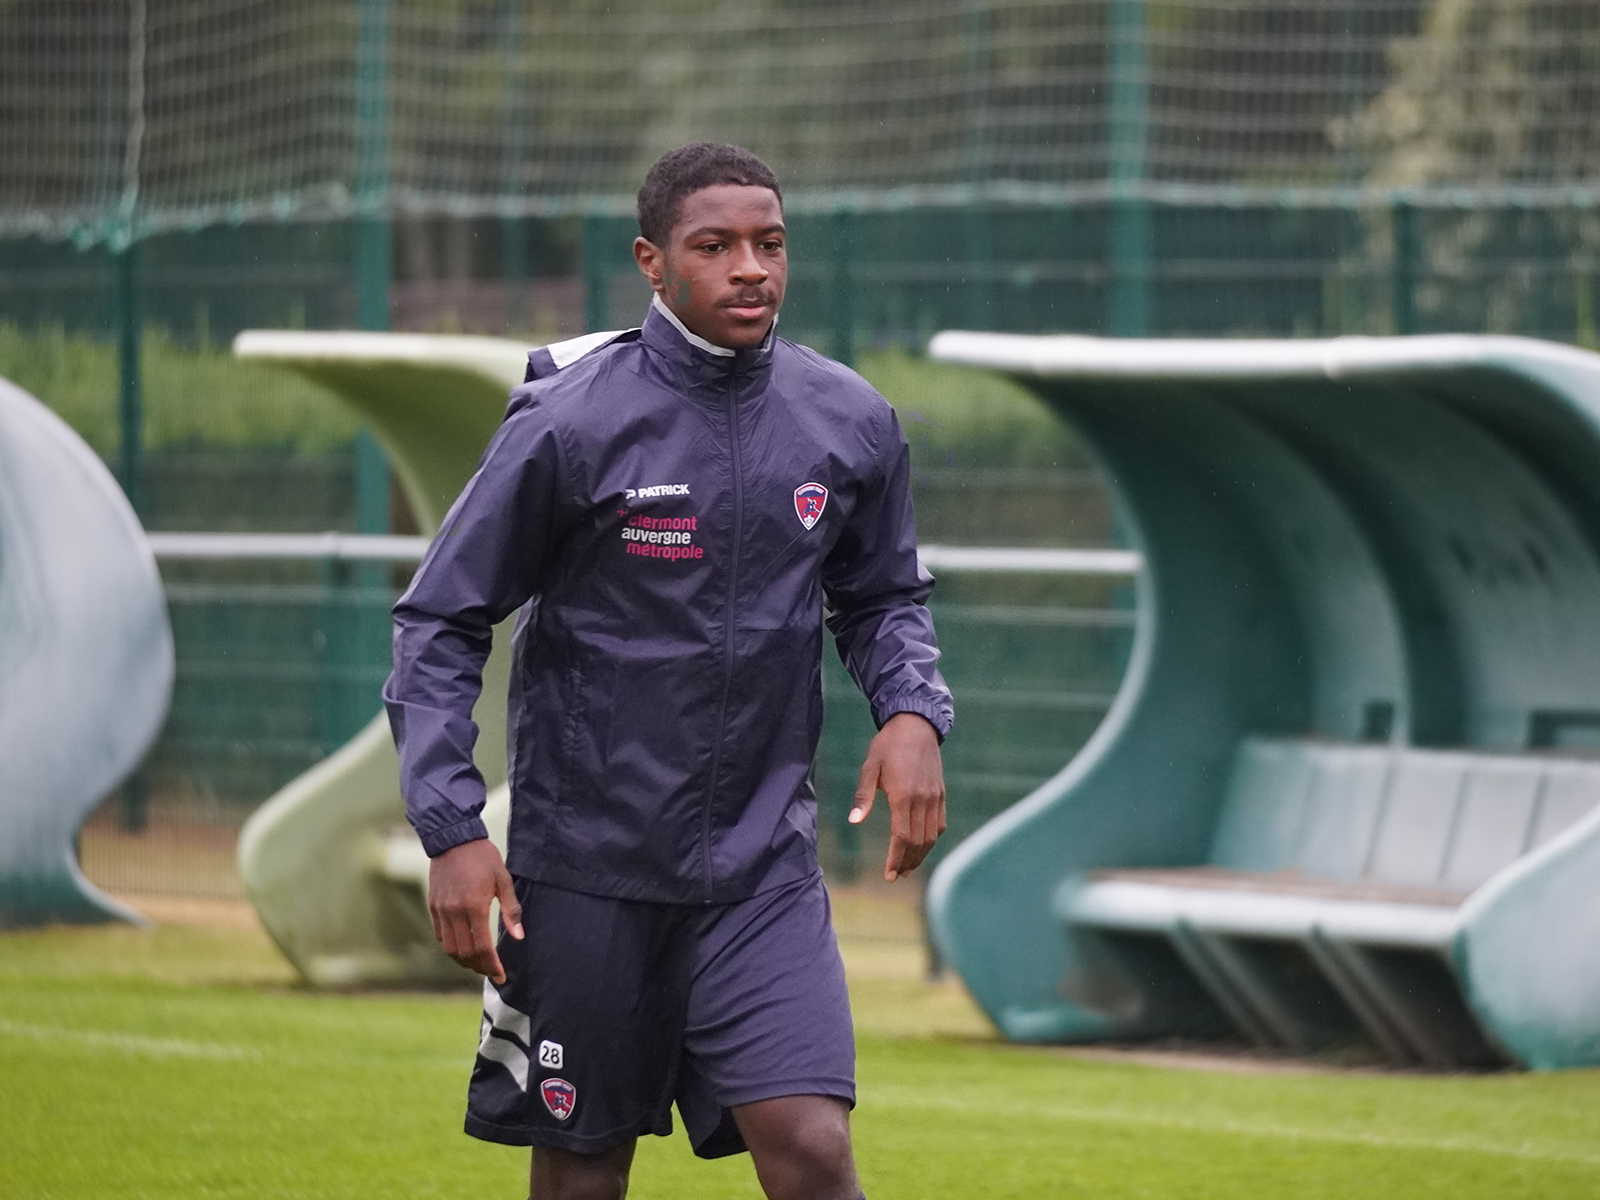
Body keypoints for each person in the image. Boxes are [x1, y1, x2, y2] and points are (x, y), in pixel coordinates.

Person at [385, 141, 952, 1200]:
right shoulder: (569, 420)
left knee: (813, 1149)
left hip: (761, 869)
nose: (751, 269)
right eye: (715, 246)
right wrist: (452, 830)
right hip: (585, 873)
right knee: (584, 1176)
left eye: (769, 244)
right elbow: (440, 620)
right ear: (652, 262)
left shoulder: (847, 419)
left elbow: (883, 598)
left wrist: (912, 711)